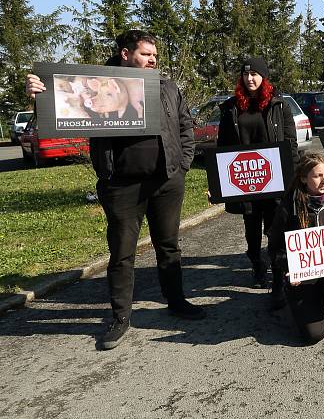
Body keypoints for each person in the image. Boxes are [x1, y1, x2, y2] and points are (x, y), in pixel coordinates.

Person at [25, 30, 204, 351]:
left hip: (166, 181)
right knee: (122, 253)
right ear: (125, 54)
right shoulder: (95, 84)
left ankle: (176, 302)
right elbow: (58, 112)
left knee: (169, 247)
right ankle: (121, 317)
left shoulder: (167, 86)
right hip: (121, 186)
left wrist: (183, 163)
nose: (153, 60)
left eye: (155, 55)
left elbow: (185, 125)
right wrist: (39, 96)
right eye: (146, 54)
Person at [215, 56, 298, 288]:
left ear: (264, 77)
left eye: (254, 74)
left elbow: (290, 144)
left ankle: (277, 270)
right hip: (245, 180)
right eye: (245, 74)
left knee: (275, 229)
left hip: (274, 180)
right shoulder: (231, 108)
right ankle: (256, 264)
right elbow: (223, 148)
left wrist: (294, 178)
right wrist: (218, 183)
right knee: (251, 231)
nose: (249, 78)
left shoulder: (279, 105)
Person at [267, 153, 324, 345]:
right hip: (303, 277)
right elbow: (275, 248)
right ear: (303, 178)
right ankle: (303, 300)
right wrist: (288, 270)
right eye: (317, 176)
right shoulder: (289, 206)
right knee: (314, 334)